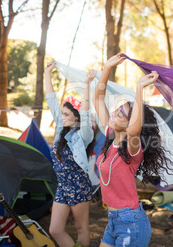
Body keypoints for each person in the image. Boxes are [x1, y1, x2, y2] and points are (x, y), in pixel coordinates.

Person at [93, 53, 173, 247]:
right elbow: (97, 99)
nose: (114, 112)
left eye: (122, 113)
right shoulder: (110, 137)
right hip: (113, 219)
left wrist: (139, 89)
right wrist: (107, 68)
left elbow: (135, 128)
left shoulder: (132, 148)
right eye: (118, 109)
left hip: (130, 223)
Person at [45, 62, 96, 247]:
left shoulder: (83, 135)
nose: (62, 117)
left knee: (81, 227)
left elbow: (86, 110)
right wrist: (47, 73)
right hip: (62, 185)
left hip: (78, 184)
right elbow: (51, 100)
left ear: (76, 116)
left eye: (67, 114)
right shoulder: (61, 130)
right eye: (63, 114)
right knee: (55, 229)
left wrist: (87, 84)